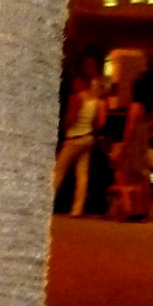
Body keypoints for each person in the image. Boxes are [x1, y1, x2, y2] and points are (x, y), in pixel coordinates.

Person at [54, 59, 105, 215]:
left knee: (59, 171)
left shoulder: (76, 98)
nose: (74, 84)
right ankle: (77, 208)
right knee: (82, 174)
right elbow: (98, 122)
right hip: (88, 137)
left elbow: (71, 118)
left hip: (74, 138)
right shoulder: (94, 100)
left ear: (81, 82)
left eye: (76, 82)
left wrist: (65, 128)